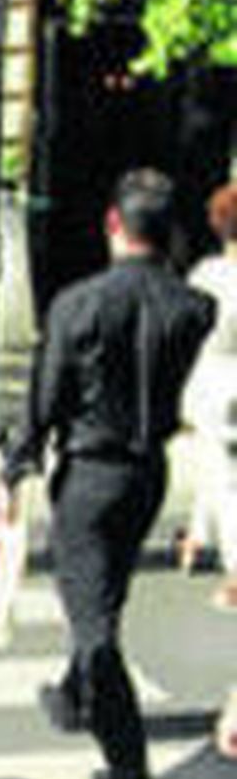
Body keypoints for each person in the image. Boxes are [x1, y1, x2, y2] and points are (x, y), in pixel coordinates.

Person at [3, 165, 215, 779]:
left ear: (113, 224)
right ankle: (74, 697)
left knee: (92, 616)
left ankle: (124, 755)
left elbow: (46, 396)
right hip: (148, 468)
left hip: (91, 470)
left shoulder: (79, 304)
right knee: (105, 592)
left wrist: (18, 461)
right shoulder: (194, 306)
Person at [180, 180, 237, 606]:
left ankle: (233, 566)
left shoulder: (206, 276)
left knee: (221, 471)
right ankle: (199, 533)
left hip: (215, 380)